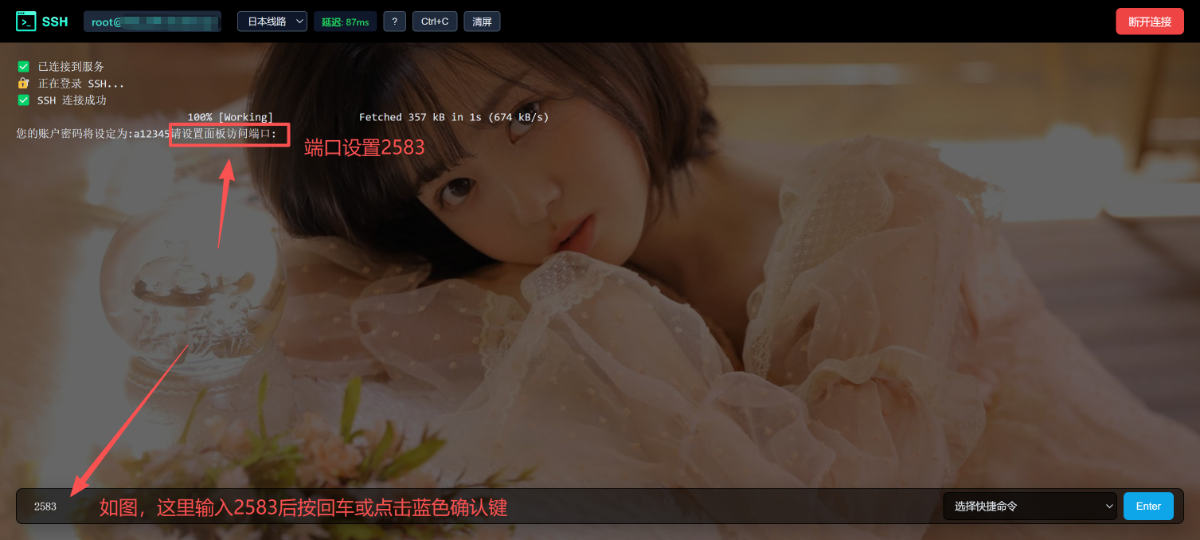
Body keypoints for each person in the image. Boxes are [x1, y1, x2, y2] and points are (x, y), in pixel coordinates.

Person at [247, 44, 1200, 539]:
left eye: (526, 115)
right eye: (456, 187)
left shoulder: (881, 212)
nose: (528, 202)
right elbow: (315, 303)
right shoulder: (553, 273)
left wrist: (599, 310)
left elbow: (852, 522)